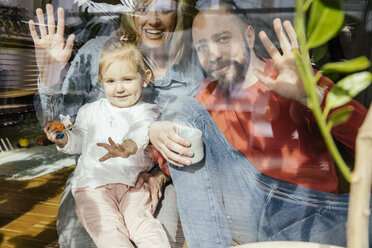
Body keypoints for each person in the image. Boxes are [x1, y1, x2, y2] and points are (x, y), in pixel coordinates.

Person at [148, 2, 371, 248]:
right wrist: (156, 132)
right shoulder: (204, 100)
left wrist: (311, 96)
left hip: (311, 212)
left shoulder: (292, 76)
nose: (213, 55)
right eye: (202, 47)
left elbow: (366, 139)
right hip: (247, 209)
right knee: (182, 108)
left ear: (249, 35)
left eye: (223, 39)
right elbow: (182, 165)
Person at [28, 1, 204, 247]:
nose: (153, 20)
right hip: (94, 180)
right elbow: (61, 126)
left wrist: (162, 176)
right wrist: (49, 77)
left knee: (159, 237)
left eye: (164, 9)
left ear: (178, 13)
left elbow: (195, 142)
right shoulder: (96, 52)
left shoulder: (191, 70)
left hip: (147, 182)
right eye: (143, 7)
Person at [44, 39, 170, 248]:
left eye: (127, 79)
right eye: (111, 81)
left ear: (145, 78)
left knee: (146, 227)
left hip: (134, 185)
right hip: (93, 187)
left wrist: (127, 147)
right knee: (109, 232)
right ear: (102, 81)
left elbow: (140, 130)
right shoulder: (90, 111)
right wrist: (65, 138)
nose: (119, 88)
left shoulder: (147, 110)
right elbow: (80, 141)